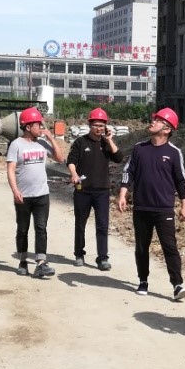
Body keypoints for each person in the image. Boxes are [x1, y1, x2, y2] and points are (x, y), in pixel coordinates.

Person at [117, 107, 185, 300]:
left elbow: (181, 180)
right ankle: (143, 280)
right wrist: (123, 194)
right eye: (154, 119)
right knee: (142, 247)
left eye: (158, 120)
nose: (153, 122)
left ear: (167, 129)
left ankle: (177, 285)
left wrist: (184, 205)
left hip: (164, 209)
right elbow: (128, 171)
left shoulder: (174, 153)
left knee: (170, 247)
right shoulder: (139, 148)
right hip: (141, 207)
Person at [6, 107, 68, 278]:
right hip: (23, 196)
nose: (41, 127)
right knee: (23, 229)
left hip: (42, 195)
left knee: (41, 228)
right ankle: (22, 261)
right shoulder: (16, 145)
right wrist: (15, 190)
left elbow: (60, 158)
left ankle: (41, 263)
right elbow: (10, 170)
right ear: (27, 127)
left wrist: (50, 138)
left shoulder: (42, 143)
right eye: (38, 125)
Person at [67, 107, 121, 271]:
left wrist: (110, 140)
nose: (99, 128)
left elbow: (119, 158)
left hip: (102, 191)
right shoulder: (80, 142)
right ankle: (79, 254)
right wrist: (74, 174)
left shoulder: (106, 143)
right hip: (83, 190)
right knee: (80, 224)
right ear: (90, 125)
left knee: (102, 226)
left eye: (101, 125)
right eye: (96, 125)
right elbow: (71, 161)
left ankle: (103, 258)